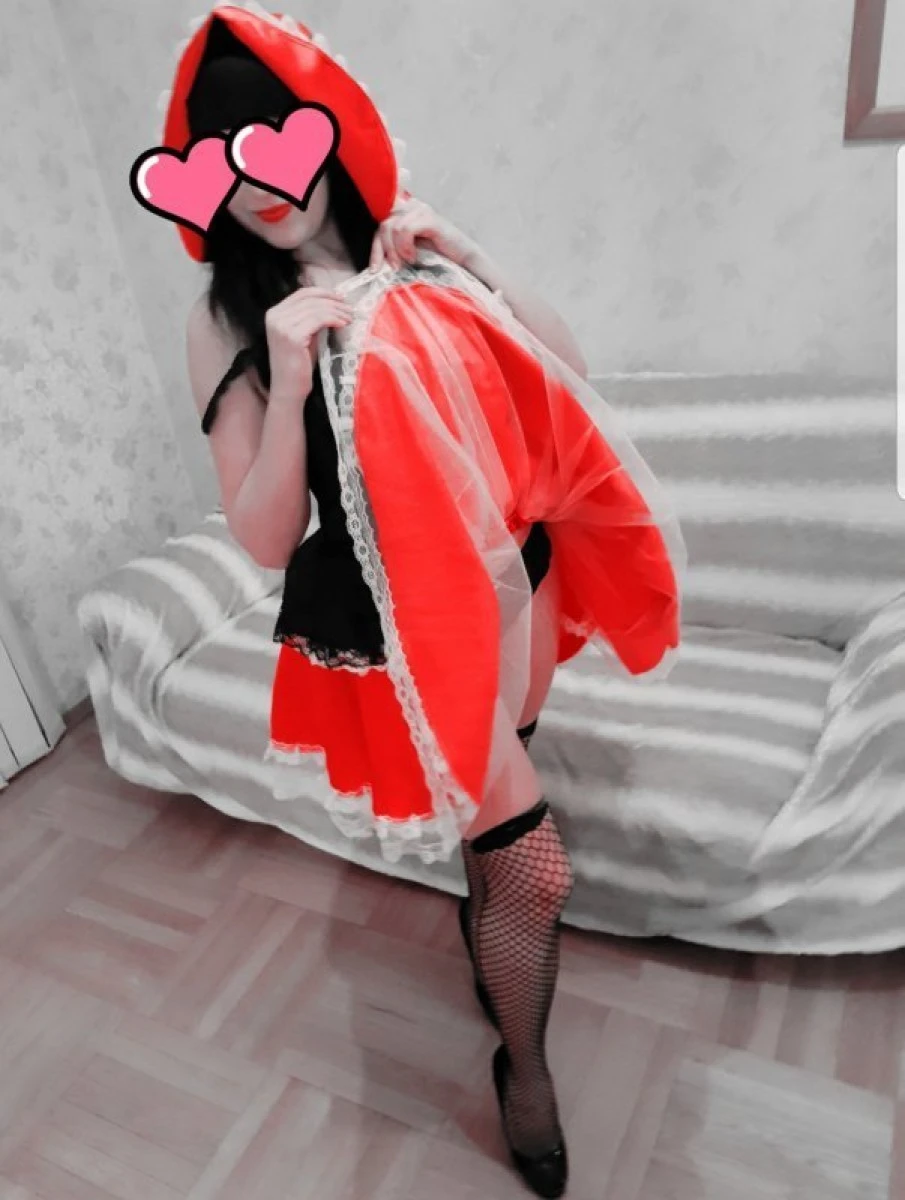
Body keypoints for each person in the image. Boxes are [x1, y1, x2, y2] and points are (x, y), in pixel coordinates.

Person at [159, 6, 685, 1195]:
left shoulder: (411, 244)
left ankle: (486, 929)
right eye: (229, 159)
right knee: (534, 867)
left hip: (514, 576)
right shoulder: (223, 317)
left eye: (279, 140)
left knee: (496, 828)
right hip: (401, 618)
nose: (262, 183)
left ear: (328, 131)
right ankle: (525, 1076)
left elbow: (567, 376)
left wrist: (474, 258)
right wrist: (287, 371)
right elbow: (262, 536)